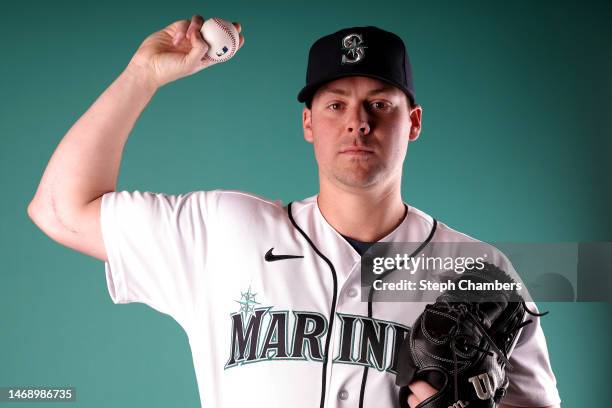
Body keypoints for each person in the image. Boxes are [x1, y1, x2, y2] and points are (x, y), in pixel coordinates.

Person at [27, 14, 561, 408]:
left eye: (380, 103)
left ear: (413, 121)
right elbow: (59, 208)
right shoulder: (222, 232)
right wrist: (141, 75)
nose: (358, 122)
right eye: (335, 104)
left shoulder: (478, 272)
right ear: (308, 124)